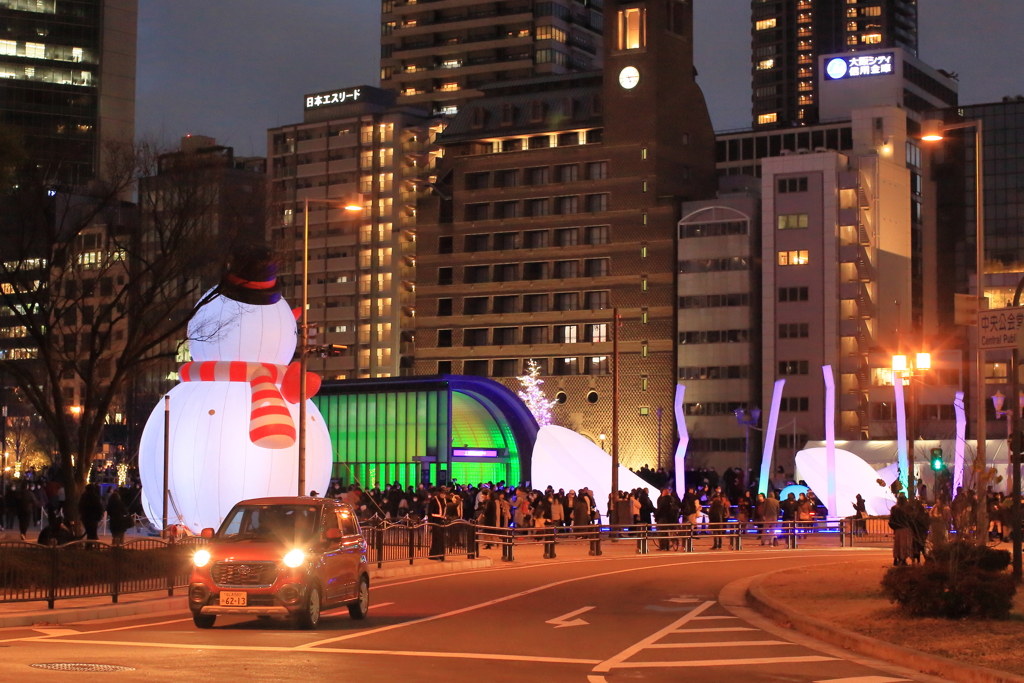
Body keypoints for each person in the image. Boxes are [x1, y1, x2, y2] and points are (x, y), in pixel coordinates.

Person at [888, 494, 913, 566]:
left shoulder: (894, 509)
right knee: (904, 544)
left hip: (897, 529)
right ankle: (903, 559)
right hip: (906, 528)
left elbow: (891, 520)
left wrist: (894, 527)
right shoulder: (908, 508)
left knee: (897, 544)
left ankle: (896, 558)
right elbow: (911, 519)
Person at [427, 488, 447, 560]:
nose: (443, 495)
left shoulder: (444, 500)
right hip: (435, 521)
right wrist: (430, 522)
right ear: (439, 493)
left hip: (441, 521)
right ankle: (434, 555)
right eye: (442, 493)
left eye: (444, 493)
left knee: (441, 539)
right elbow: (430, 512)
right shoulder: (434, 500)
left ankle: (441, 554)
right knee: (436, 539)